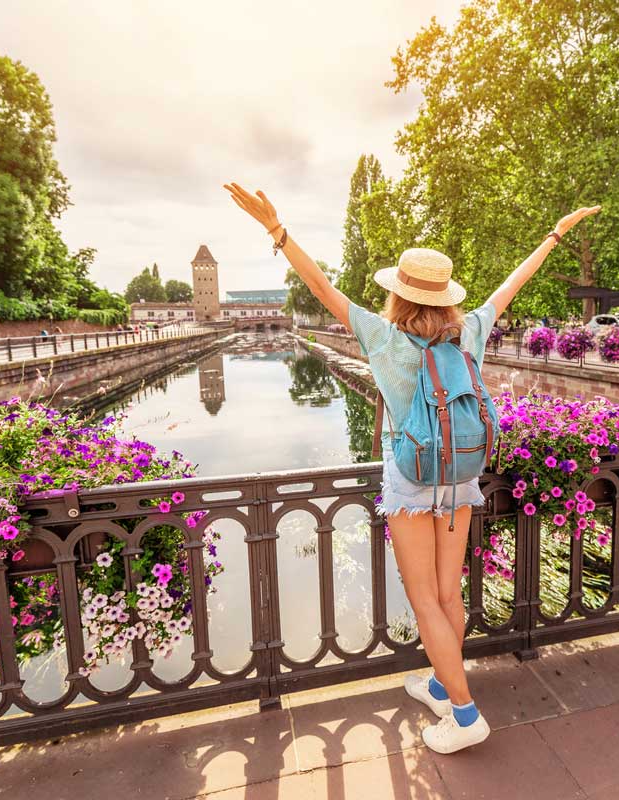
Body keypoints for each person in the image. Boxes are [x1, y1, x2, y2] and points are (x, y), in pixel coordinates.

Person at [225, 181, 600, 754]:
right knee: (449, 595)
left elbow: (320, 286)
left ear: (398, 294)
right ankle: (438, 684)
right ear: (446, 294)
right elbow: (510, 286)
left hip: (410, 476)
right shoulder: (469, 329)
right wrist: (553, 235)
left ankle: (466, 713)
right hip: (462, 474)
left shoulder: (381, 335)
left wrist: (278, 232)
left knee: (424, 597)